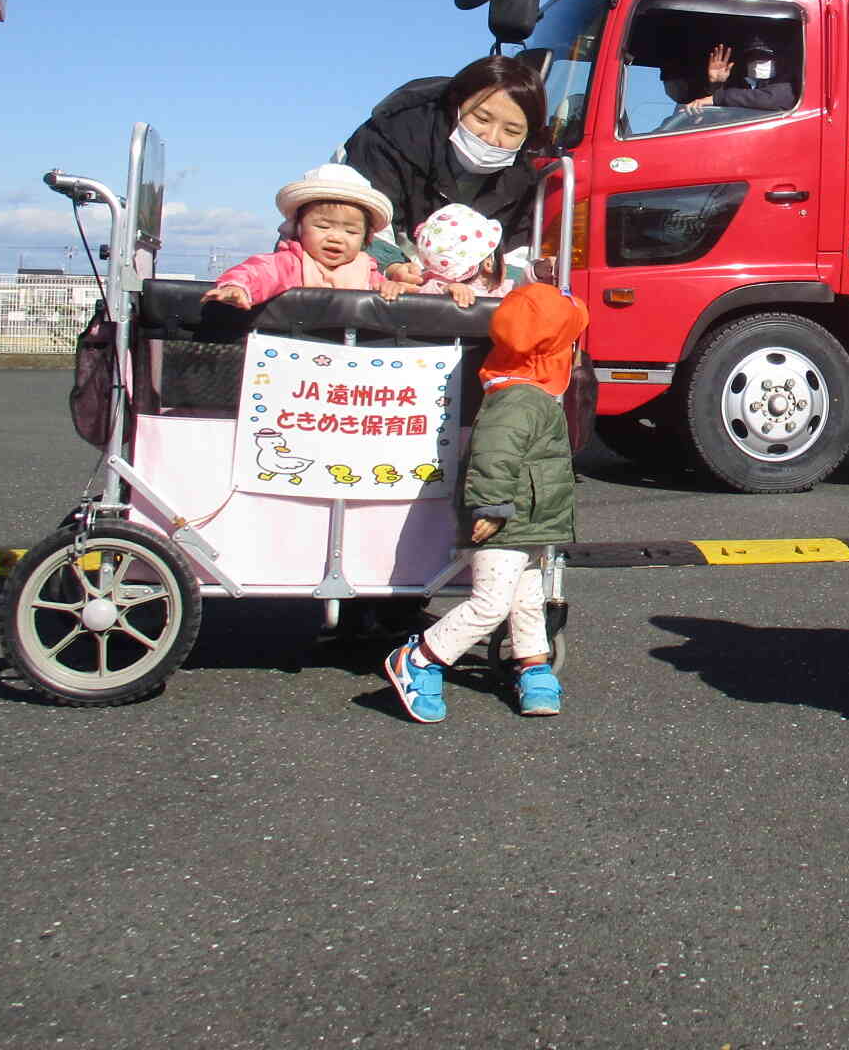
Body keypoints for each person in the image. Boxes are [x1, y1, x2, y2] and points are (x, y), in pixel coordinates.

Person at [384, 284, 586, 722]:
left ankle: (533, 664)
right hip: (506, 521)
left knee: (526, 598)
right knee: (492, 603)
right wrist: (491, 508)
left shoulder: (520, 393)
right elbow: (494, 454)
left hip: (526, 522)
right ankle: (420, 658)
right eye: (568, 345)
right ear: (548, 354)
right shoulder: (521, 399)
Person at [337, 55, 549, 281]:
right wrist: (393, 266)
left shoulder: (525, 181)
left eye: (512, 132)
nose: (491, 138)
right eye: (482, 118)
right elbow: (355, 220)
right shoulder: (393, 136)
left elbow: (514, 255)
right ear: (455, 105)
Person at [203, 164, 412, 308]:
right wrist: (238, 287)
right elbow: (260, 273)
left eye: (350, 231)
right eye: (323, 226)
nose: (336, 238)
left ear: (367, 239)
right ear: (298, 229)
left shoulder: (367, 271)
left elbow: (384, 290)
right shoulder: (292, 263)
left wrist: (391, 287)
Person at [409, 204, 511, 308]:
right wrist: (446, 290)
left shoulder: (504, 290)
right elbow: (422, 297)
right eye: (503, 256)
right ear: (489, 263)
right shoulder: (433, 286)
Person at [682, 37, 795, 116]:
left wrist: (718, 97)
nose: (756, 61)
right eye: (752, 57)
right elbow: (718, 115)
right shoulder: (744, 86)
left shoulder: (788, 88)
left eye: (763, 57)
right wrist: (716, 85)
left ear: (780, 61)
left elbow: (771, 99)